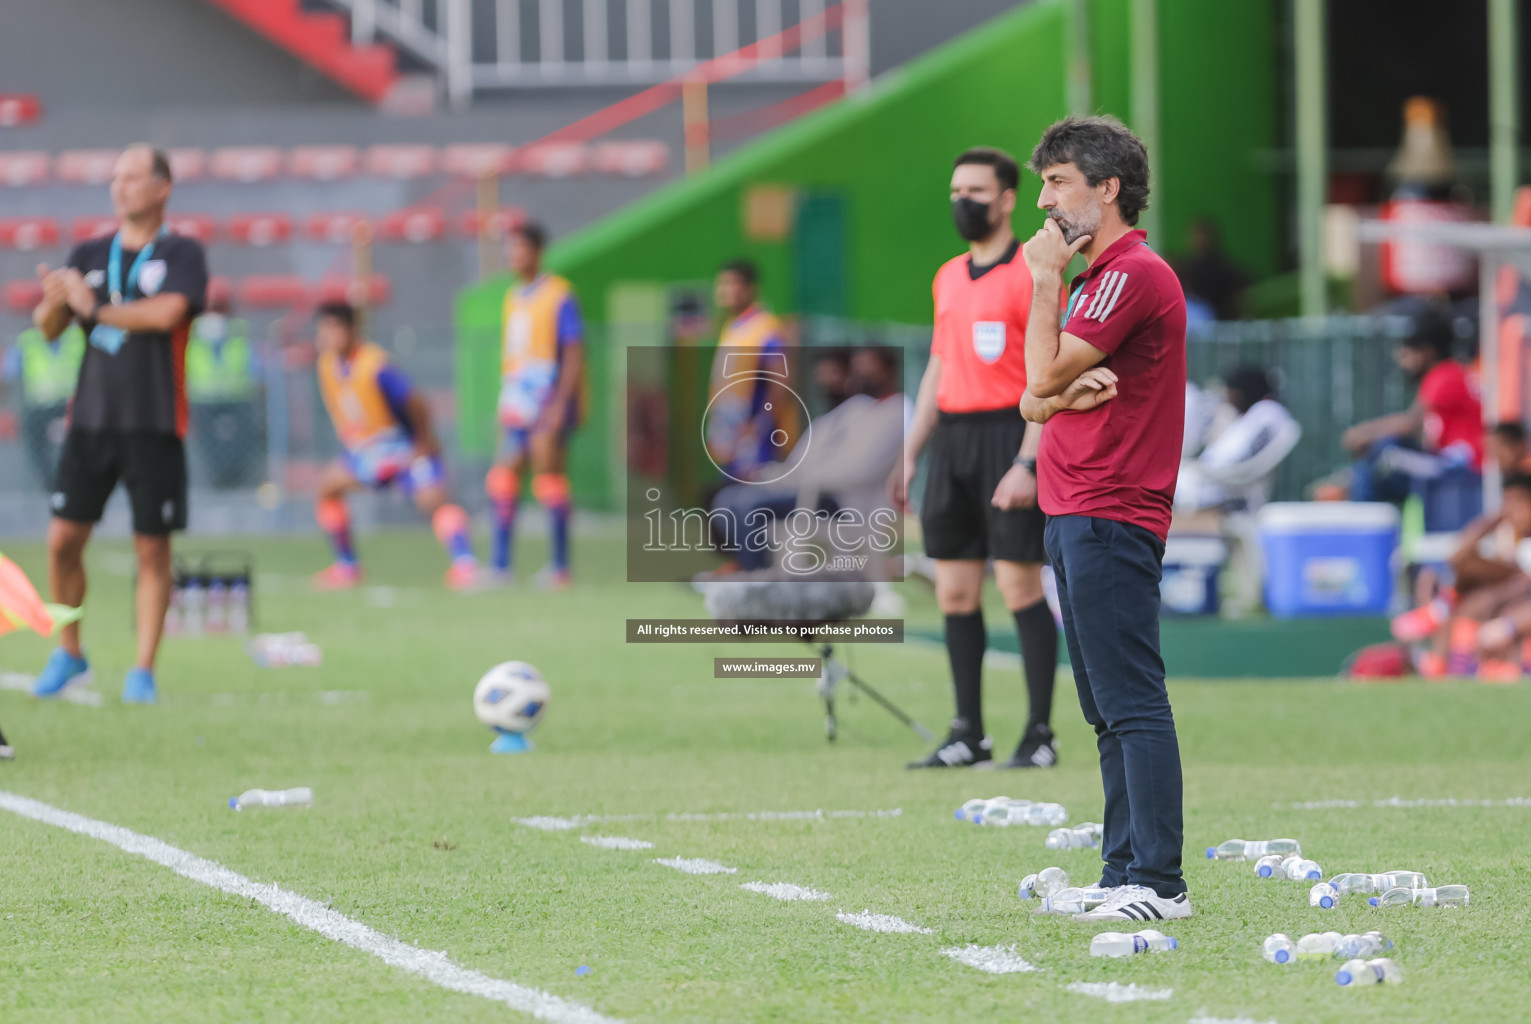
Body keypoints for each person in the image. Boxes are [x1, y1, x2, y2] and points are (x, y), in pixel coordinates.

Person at [1019, 115, 1191, 921]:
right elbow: (1029, 392)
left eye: (1056, 182)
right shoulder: (1100, 276)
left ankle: (1159, 884)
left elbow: (1043, 372)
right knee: (1101, 708)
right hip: (1072, 508)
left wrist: (1044, 284)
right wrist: (1050, 388)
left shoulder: (1129, 271)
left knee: (1131, 702)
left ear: (1107, 188)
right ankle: (1122, 873)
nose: (1043, 202)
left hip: (1110, 508)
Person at [890, 146, 1060, 771]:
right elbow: (940, 365)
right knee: (955, 593)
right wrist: (909, 454)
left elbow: (1046, 374)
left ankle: (1040, 733)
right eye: (956, 191)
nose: (964, 201)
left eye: (977, 191)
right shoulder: (946, 276)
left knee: (1018, 584)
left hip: (1009, 435)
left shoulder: (1034, 272)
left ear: (1008, 198)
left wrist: (1029, 461)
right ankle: (969, 734)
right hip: (953, 443)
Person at [27, 145, 208, 705]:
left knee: (152, 551)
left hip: (155, 423)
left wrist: (93, 307)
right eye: (115, 177)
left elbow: (166, 313)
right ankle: (70, 652)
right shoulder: (87, 251)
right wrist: (58, 301)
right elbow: (50, 327)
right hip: (91, 422)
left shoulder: (182, 252)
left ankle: (142, 671)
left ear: (162, 188)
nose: (120, 186)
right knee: (62, 542)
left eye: (132, 177)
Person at [311, 301, 480, 590]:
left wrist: (425, 443)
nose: (327, 336)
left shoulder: (376, 366)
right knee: (328, 487)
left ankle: (466, 565)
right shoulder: (327, 365)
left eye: (333, 328)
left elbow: (416, 402)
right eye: (323, 329)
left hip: (399, 447)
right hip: (367, 452)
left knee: (433, 499)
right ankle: (347, 566)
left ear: (351, 330)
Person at [486, 222, 584, 588]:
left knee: (550, 479)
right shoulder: (514, 295)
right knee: (502, 478)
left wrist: (561, 404)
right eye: (510, 249)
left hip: (545, 399)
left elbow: (573, 351)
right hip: (517, 399)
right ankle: (500, 565)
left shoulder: (559, 295)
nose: (513, 256)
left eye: (520, 248)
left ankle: (560, 566)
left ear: (538, 251)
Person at [1342, 310, 1482, 504]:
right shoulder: (1448, 373)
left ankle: (1364, 519)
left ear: (1427, 351)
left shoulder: (1444, 375)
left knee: (1384, 453)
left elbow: (1411, 422)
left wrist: (1363, 433)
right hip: (1453, 462)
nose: (1403, 362)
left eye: (1407, 355)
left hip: (1460, 465)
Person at [705, 259, 795, 482]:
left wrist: (760, 424)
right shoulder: (733, 326)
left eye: (733, 284)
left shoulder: (764, 328)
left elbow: (781, 380)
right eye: (722, 284)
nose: (726, 290)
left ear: (750, 288)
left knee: (750, 504)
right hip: (729, 434)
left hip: (754, 438)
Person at [1174, 366, 1301, 515]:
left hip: (1222, 493)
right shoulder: (1252, 415)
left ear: (1241, 391)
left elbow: (1240, 463)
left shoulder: (1267, 413)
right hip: (1210, 484)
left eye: (1229, 392)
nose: (1227, 397)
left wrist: (1201, 469)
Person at [185, 293, 259, 488]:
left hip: (238, 396)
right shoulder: (193, 334)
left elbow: (254, 363)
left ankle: (237, 477)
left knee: (241, 442)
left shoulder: (238, 332)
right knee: (208, 445)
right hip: (203, 398)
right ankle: (216, 478)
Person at [3, 321, 85, 487]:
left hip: (71, 404)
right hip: (39, 407)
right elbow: (8, 373)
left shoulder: (77, 337)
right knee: (31, 431)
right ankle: (49, 481)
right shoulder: (27, 341)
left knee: (83, 433)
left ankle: (77, 474)